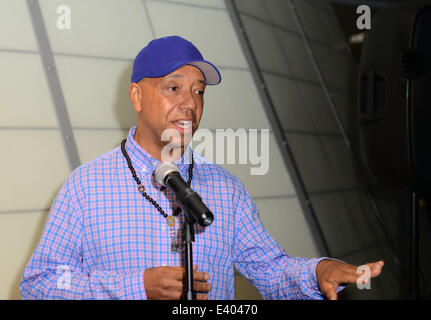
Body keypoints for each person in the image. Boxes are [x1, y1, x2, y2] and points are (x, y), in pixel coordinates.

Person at [20, 35, 384, 300]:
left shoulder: (227, 189)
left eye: (198, 91)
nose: (190, 104)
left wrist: (317, 271)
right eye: (173, 87)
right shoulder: (85, 187)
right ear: (136, 96)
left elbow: (270, 269)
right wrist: (136, 289)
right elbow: (40, 284)